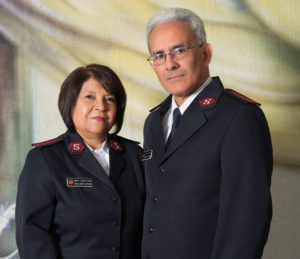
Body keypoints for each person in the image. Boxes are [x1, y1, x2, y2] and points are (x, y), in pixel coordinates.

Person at [142, 8, 273, 259]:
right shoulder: (154, 122)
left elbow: (247, 218)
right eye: (159, 56)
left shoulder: (238, 117)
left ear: (206, 53)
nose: (170, 64)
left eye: (179, 50)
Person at [16, 64, 145, 259]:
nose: (101, 106)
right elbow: (32, 235)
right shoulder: (45, 159)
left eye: (109, 98)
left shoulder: (134, 155)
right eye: (90, 97)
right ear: (71, 102)